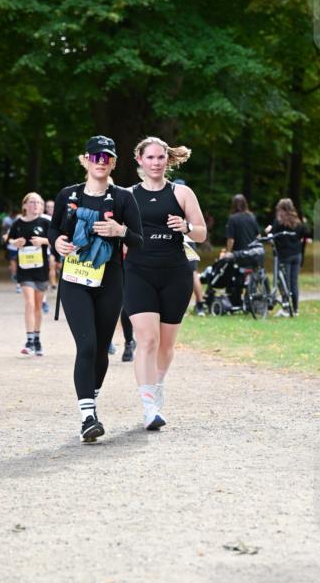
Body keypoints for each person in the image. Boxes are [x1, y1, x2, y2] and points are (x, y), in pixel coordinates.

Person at [49, 135, 143, 443]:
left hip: (110, 280)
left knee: (101, 348)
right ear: (85, 160)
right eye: (95, 156)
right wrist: (57, 242)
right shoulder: (68, 195)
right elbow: (54, 230)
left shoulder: (123, 199)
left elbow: (137, 240)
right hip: (75, 280)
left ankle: (90, 400)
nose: (100, 162)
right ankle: (87, 416)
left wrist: (120, 230)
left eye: (107, 158)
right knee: (86, 346)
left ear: (113, 162)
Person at [124, 136, 206, 430]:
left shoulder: (182, 193)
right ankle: (148, 406)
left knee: (166, 344)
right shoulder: (127, 195)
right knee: (146, 339)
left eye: (160, 158)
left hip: (175, 273)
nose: (156, 163)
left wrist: (186, 227)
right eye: (150, 158)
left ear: (167, 160)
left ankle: (157, 385)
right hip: (138, 272)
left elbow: (202, 234)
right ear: (139, 160)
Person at [8, 193, 50, 356]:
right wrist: (14, 242)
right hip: (24, 270)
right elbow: (8, 238)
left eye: (39, 203)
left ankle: (37, 339)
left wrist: (43, 241)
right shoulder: (17, 223)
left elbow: (58, 239)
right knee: (29, 304)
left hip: (41, 269)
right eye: (32, 202)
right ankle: (29, 340)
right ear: (25, 205)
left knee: (38, 306)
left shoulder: (46, 222)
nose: (36, 205)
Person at [266, 198, 308, 316]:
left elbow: (272, 236)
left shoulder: (279, 222)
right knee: (294, 282)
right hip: (297, 254)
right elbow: (305, 233)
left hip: (284, 255)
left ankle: (286, 307)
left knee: (284, 282)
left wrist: (268, 231)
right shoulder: (297, 222)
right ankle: (295, 309)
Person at [174, 178, 205, 315]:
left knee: (191, 274)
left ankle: (199, 304)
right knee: (190, 274)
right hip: (186, 241)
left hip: (185, 241)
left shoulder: (175, 201)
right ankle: (198, 304)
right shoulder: (187, 200)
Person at [223, 193, 260, 307]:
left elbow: (231, 240)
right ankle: (252, 300)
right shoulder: (251, 217)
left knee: (231, 274)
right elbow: (258, 236)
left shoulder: (233, 219)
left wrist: (228, 252)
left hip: (239, 255)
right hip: (252, 254)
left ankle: (235, 300)